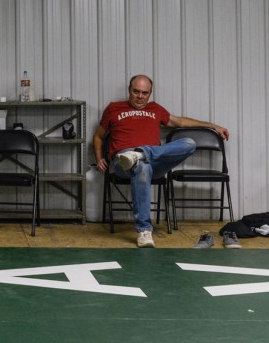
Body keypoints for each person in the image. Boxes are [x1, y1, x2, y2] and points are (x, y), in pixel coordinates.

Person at [93, 74, 229, 248]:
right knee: (140, 166)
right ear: (129, 90)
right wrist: (99, 159)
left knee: (189, 143)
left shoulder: (155, 109)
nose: (140, 96)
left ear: (150, 93)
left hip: (154, 162)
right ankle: (144, 230)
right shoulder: (114, 108)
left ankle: (142, 153)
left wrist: (211, 124)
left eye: (145, 93)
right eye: (136, 92)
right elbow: (98, 137)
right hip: (123, 161)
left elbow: (179, 121)